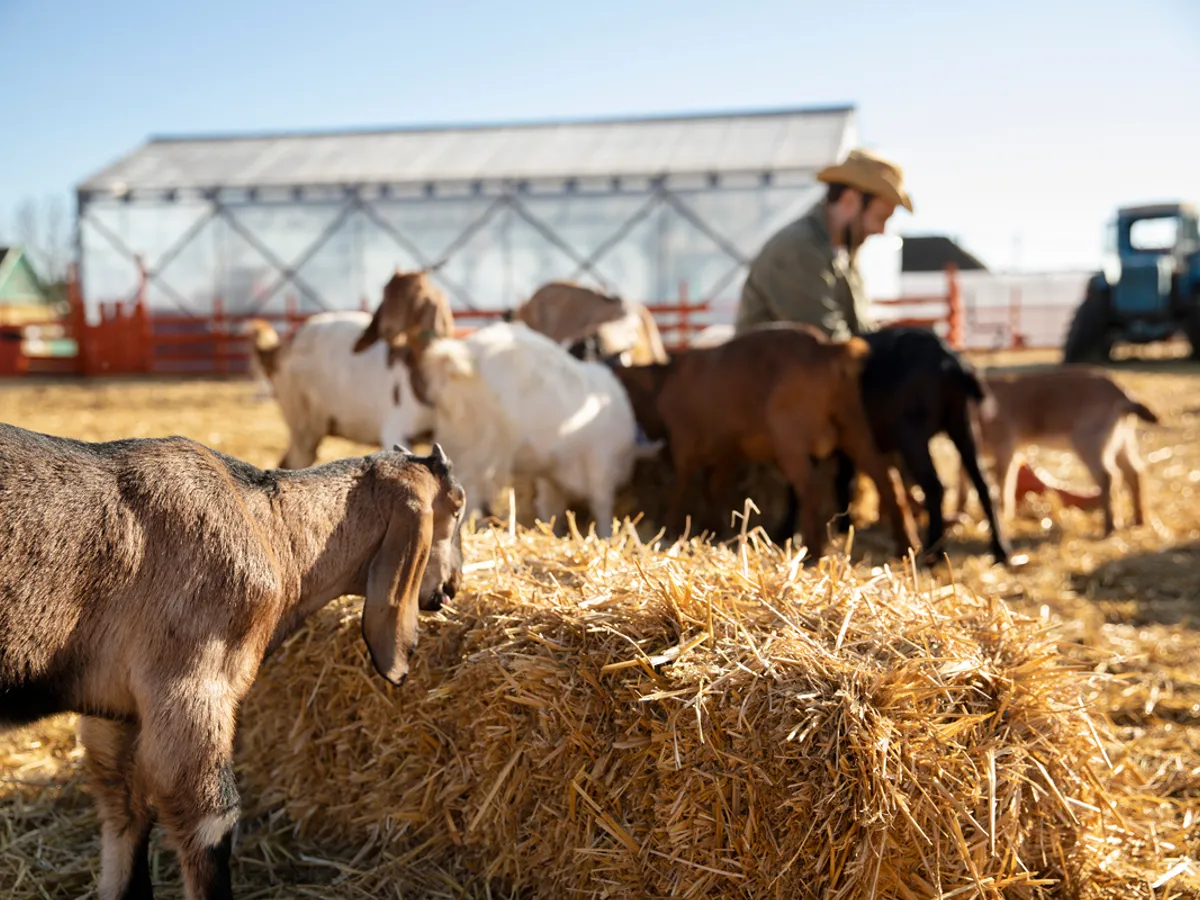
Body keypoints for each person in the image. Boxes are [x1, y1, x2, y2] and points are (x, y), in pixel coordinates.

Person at [734, 147, 914, 340]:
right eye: (880, 218)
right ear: (849, 201)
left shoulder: (841, 255)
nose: (881, 230)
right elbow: (829, 347)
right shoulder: (798, 250)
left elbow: (858, 333)